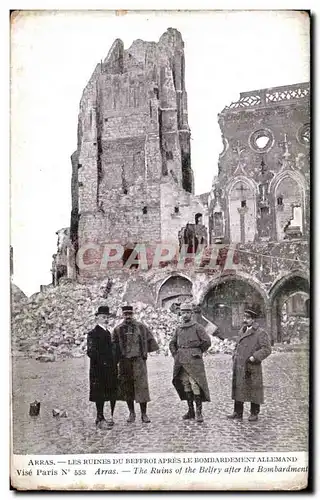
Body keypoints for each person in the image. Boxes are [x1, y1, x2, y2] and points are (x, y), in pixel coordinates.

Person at [112, 305, 159, 423]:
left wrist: (143, 352)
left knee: (142, 387)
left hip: (138, 361)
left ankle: (144, 414)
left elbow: (151, 342)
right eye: (125, 314)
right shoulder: (118, 329)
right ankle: (131, 413)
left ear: (133, 314)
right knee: (127, 387)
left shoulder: (141, 327)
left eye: (130, 314)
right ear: (123, 315)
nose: (128, 316)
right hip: (124, 362)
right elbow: (113, 346)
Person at [169, 302, 211, 423]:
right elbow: (172, 343)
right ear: (180, 314)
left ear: (191, 314)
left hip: (194, 361)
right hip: (181, 361)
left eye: (188, 312)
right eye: (183, 313)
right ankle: (190, 411)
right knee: (186, 384)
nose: (185, 315)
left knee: (195, 384)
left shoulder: (198, 327)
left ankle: (199, 412)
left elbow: (207, 342)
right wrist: (175, 354)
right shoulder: (178, 328)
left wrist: (197, 351)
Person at [227, 308, 272, 422]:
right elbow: (237, 345)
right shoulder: (242, 330)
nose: (245, 320)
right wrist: (234, 355)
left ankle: (254, 413)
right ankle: (237, 412)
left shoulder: (260, 332)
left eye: (247, 318)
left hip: (252, 365)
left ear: (253, 319)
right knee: (239, 388)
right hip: (240, 364)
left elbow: (266, 349)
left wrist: (255, 357)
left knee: (254, 389)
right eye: (244, 318)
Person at [87, 306, 117, 429]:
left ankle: (103, 417)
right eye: (103, 317)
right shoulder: (93, 333)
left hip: (108, 368)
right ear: (97, 318)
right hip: (98, 369)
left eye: (107, 317)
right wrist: (103, 362)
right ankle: (99, 418)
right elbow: (91, 352)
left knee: (106, 392)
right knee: (99, 393)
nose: (105, 319)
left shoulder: (107, 333)